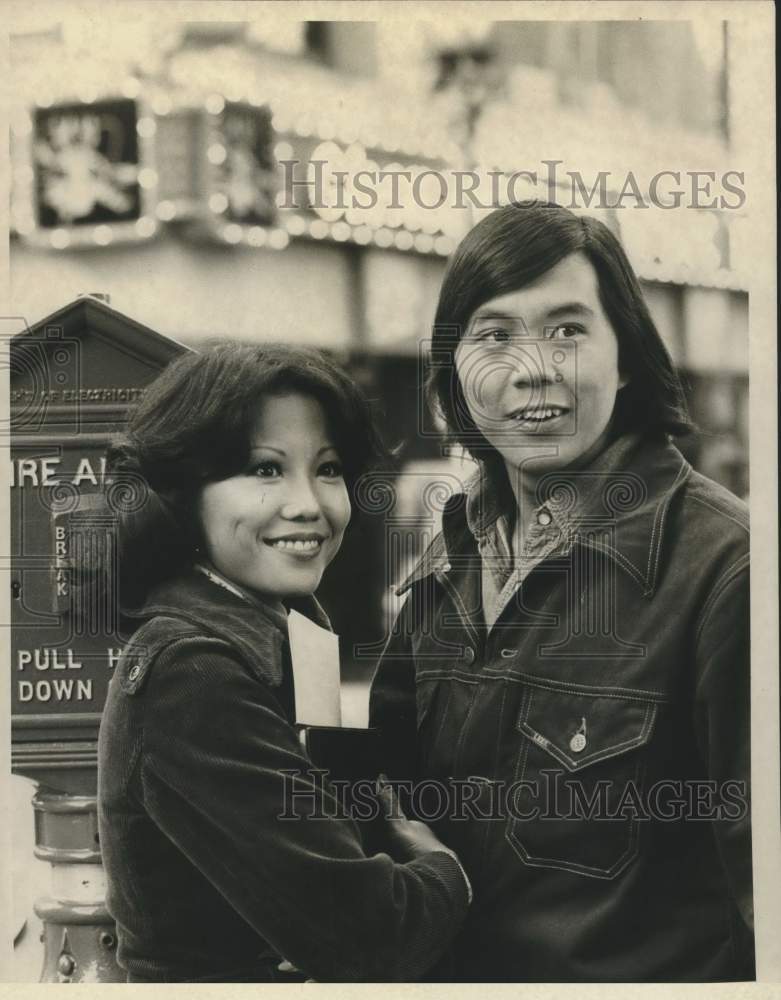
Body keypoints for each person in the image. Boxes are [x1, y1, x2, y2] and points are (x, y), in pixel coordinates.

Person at [369, 202, 753, 982]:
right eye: (492, 336)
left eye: (567, 331)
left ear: (627, 360)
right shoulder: (450, 560)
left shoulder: (728, 568)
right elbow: (380, 804)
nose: (531, 368)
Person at [96, 341, 471, 983]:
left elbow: (341, 836)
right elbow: (371, 938)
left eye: (328, 469)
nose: (308, 504)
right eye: (265, 469)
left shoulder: (299, 633)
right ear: (183, 492)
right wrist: (449, 873)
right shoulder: (193, 673)